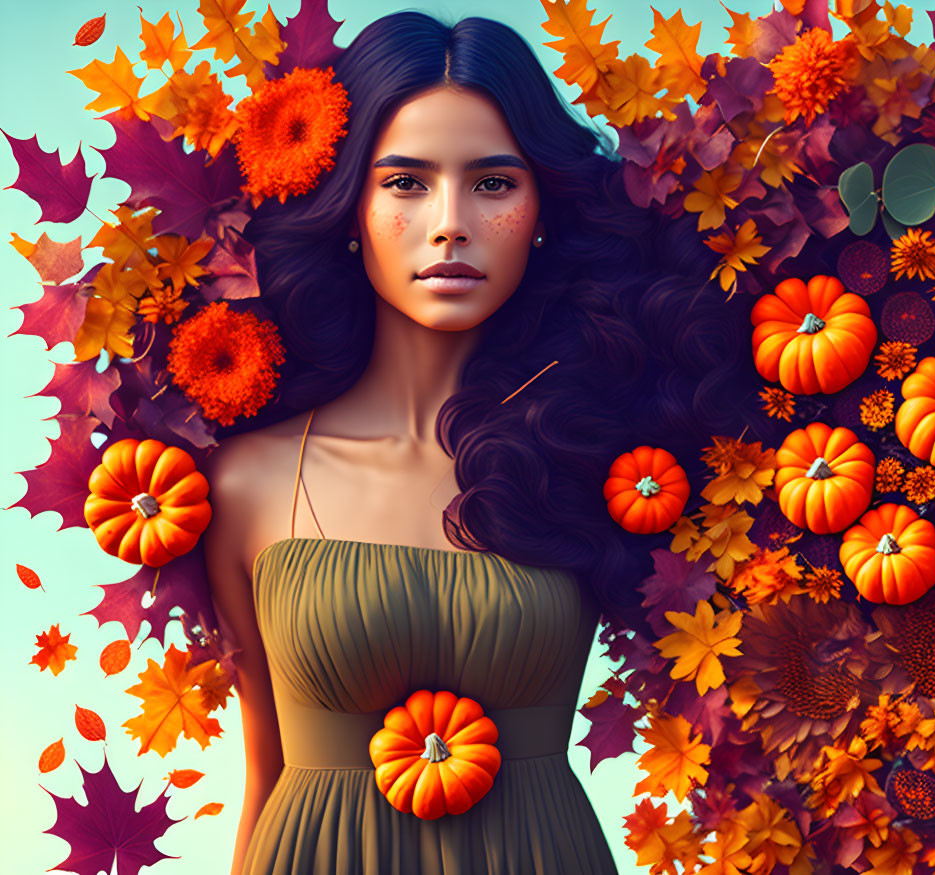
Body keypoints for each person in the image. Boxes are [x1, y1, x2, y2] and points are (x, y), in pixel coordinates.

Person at [198, 11, 762, 875]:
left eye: (493, 183)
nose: (450, 222)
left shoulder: (603, 455)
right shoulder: (247, 481)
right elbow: (265, 770)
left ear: (541, 212)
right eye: (406, 183)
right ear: (350, 205)